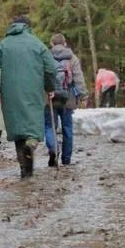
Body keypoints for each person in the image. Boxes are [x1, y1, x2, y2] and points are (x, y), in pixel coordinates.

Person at [0, 16, 57, 178]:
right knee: (33, 124)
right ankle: (31, 146)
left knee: (18, 129)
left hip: (10, 91)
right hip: (34, 90)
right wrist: (50, 87)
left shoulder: (3, 45)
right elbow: (51, 68)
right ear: (28, 27)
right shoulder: (37, 44)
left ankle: (24, 170)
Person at [48, 34, 88, 166]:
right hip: (68, 98)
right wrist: (83, 95)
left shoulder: (46, 56)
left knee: (49, 126)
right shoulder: (72, 58)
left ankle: (54, 149)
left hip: (50, 97)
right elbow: (78, 78)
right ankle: (66, 159)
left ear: (52, 44)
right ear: (65, 43)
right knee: (67, 128)